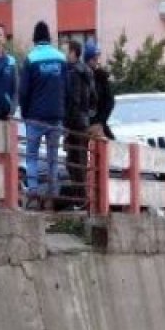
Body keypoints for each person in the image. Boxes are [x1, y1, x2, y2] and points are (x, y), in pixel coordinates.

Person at [19, 21, 67, 206]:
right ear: (49, 37)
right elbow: (66, 88)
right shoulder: (60, 58)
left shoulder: (31, 59)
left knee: (31, 156)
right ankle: (53, 193)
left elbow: (23, 92)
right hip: (56, 117)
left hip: (35, 118)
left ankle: (33, 192)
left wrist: (25, 113)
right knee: (53, 156)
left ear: (34, 38)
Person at [64, 39, 95, 208]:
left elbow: (73, 99)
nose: (64, 55)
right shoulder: (88, 72)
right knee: (81, 160)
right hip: (84, 122)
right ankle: (83, 199)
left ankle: (80, 199)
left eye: (66, 51)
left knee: (72, 161)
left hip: (74, 123)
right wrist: (88, 116)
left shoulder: (73, 72)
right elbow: (93, 99)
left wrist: (67, 125)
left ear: (73, 53)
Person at [86, 40, 115, 142]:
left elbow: (109, 102)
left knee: (111, 146)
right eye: (94, 59)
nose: (97, 61)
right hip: (84, 125)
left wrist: (100, 122)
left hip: (99, 123)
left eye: (97, 58)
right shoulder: (80, 76)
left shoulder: (101, 77)